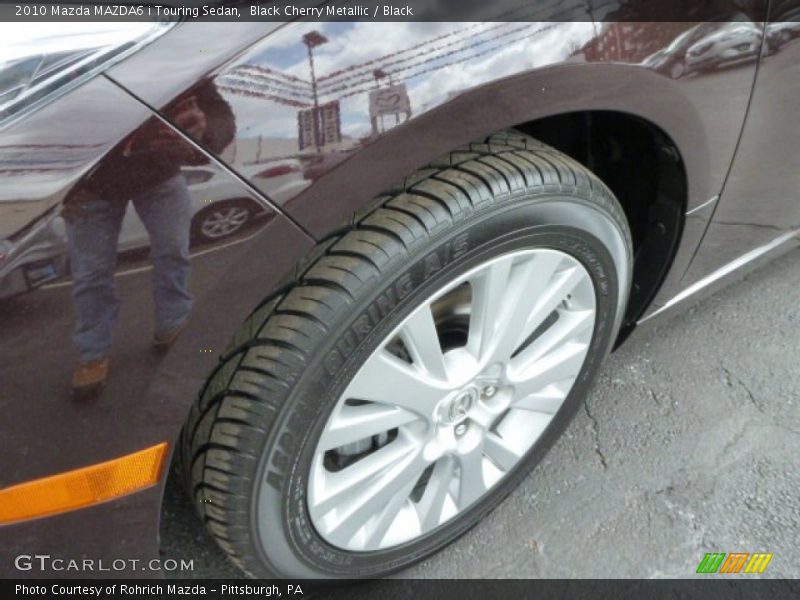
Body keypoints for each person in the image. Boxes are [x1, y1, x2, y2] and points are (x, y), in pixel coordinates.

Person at [63, 82, 235, 397]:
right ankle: (92, 351)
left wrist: (203, 133)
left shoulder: (169, 55)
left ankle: (173, 321)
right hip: (89, 186)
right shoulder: (69, 54)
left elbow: (216, 108)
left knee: (173, 251)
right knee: (90, 274)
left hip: (159, 172)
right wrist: (61, 185)